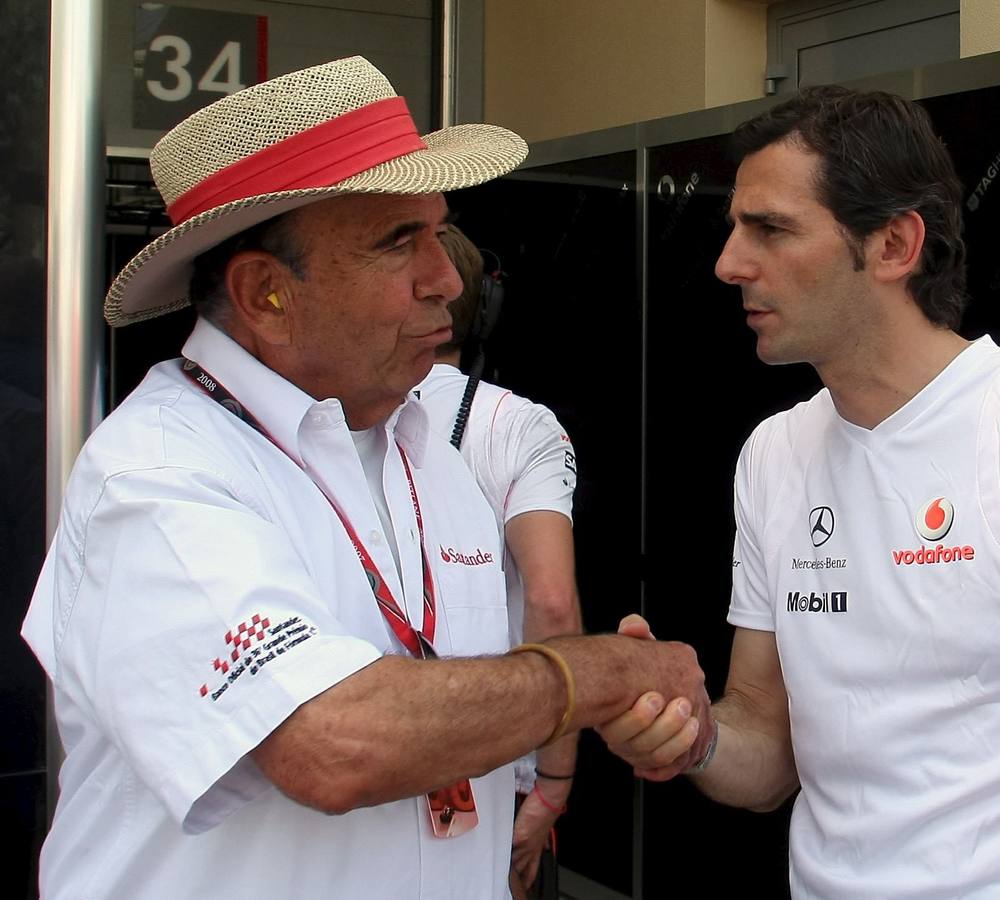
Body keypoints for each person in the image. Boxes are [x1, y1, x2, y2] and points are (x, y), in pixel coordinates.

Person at [21, 57, 709, 900]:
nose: (449, 282)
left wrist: (614, 709)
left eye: (437, 232)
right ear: (265, 293)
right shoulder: (159, 477)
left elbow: (459, 700)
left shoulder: (425, 448)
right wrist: (600, 678)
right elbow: (331, 744)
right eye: (397, 243)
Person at [599, 85, 1000, 898]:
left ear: (894, 244)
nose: (728, 263)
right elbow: (768, 753)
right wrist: (693, 733)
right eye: (732, 227)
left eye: (771, 228)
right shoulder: (773, 454)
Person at [419, 224, 582, 895]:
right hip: (496, 769)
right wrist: (555, 781)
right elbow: (552, 601)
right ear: (481, 310)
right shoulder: (518, 425)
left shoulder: (326, 413)